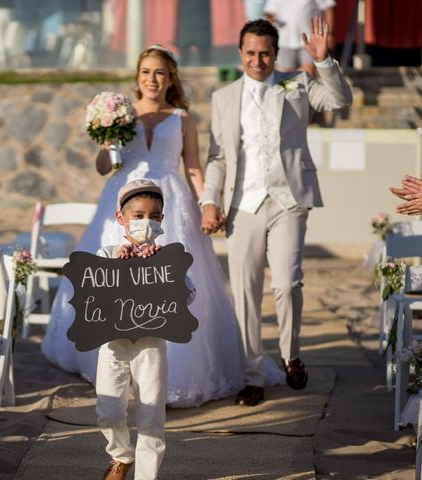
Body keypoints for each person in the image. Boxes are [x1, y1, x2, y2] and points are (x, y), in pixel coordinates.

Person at [42, 44, 275, 408]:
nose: (152, 79)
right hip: (123, 200)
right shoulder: (119, 114)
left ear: (171, 78)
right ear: (138, 77)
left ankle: (175, 370)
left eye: (160, 72)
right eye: (146, 72)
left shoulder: (182, 118)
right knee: (115, 279)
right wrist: (106, 139)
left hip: (170, 202)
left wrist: (207, 204)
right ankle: (114, 365)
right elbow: (105, 167)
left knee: (170, 281)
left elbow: (194, 168)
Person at [200, 18, 352, 406]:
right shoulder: (223, 97)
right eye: (250, 53)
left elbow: (339, 101)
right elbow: (217, 156)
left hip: (289, 200)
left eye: (265, 53)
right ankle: (252, 375)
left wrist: (324, 62)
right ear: (240, 53)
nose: (257, 60)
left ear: (276, 53)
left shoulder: (297, 85)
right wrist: (210, 200)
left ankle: (291, 354)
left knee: (287, 284)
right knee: (246, 294)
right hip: (242, 205)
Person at [97, 179, 187, 480]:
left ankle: (146, 475)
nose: (146, 221)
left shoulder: (169, 258)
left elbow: (188, 295)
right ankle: (121, 456)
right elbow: (90, 295)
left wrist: (162, 269)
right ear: (121, 219)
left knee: (151, 413)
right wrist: (115, 268)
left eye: (153, 216)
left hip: (151, 345)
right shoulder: (105, 253)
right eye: (138, 215)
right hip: (112, 344)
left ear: (162, 219)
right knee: (108, 411)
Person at [264, 0, 335, 77]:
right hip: (284, 41)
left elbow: (328, 7)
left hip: (310, 39)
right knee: (287, 78)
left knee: (308, 75)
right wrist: (270, 20)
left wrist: (330, 34)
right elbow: (270, 12)